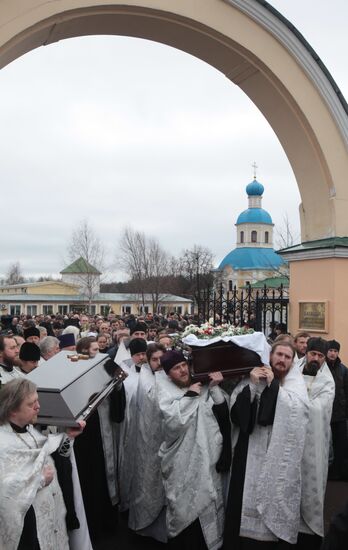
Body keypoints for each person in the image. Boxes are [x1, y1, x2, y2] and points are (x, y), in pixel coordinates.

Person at [224, 342, 309, 549]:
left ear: (292, 361)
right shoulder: (252, 377)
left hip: (277, 457)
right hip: (248, 449)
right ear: (270, 356)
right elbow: (237, 417)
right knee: (240, 500)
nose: (282, 360)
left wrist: (274, 388)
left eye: (287, 357)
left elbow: (298, 413)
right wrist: (253, 386)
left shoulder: (295, 384)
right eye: (279, 354)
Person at [0, 378, 84, 550]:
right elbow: (5, 492)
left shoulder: (31, 430)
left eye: (37, 400)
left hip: (49, 518)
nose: (38, 406)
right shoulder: (3, 443)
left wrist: (68, 437)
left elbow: (56, 455)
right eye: (31, 404)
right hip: (28, 528)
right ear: (13, 410)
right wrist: (39, 480)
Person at [157, 350, 228, 550]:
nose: (181, 371)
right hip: (180, 466)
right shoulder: (165, 392)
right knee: (182, 515)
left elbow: (223, 416)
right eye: (175, 368)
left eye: (183, 365)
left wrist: (213, 388)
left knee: (207, 512)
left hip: (207, 463)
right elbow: (172, 424)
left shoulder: (203, 387)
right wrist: (190, 396)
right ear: (168, 374)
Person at [297, 337, 335, 549]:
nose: (317, 359)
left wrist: (296, 405)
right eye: (314, 354)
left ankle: (309, 534)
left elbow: (321, 409)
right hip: (291, 443)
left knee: (311, 493)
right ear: (306, 353)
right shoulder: (292, 373)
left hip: (313, 445)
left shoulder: (328, 382)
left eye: (321, 356)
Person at [128, 343, 167, 541]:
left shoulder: (166, 374)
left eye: (162, 359)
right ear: (148, 361)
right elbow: (155, 400)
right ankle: (143, 526)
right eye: (154, 360)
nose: (159, 364)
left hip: (165, 442)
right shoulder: (145, 378)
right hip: (147, 442)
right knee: (146, 481)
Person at [325, 339, 348, 480]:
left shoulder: (343, 370)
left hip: (340, 413)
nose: (333, 354)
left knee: (341, 443)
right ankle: (329, 470)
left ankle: (339, 471)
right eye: (331, 351)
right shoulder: (322, 368)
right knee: (327, 444)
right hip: (326, 413)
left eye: (335, 351)